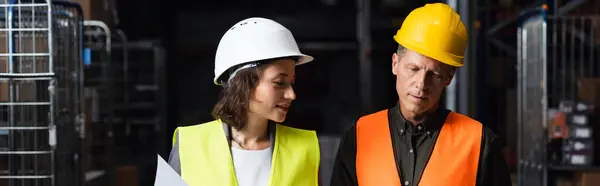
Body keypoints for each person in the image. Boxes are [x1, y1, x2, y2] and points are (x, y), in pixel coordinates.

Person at [329, 3, 512, 186]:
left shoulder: (480, 144)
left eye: (435, 74)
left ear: (449, 77)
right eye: (413, 69)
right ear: (395, 64)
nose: (421, 84)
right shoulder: (359, 137)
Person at [168, 17, 320, 186]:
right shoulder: (189, 145)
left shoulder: (306, 148)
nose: (291, 94)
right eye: (279, 83)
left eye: (291, 83)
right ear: (244, 83)